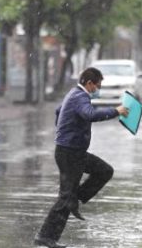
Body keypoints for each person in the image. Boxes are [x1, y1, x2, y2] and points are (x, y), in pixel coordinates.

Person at [34, 67, 129, 248]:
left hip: (73, 152)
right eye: (97, 86)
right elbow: (90, 114)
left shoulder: (73, 94)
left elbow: (58, 111)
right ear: (89, 83)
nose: (97, 90)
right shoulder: (80, 96)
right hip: (69, 154)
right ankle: (45, 236)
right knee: (64, 198)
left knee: (104, 171)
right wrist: (116, 111)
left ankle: (76, 198)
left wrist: (63, 129)